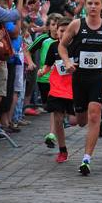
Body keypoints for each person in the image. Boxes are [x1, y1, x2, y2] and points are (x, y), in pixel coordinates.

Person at [58, 0, 102, 175]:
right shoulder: (76, 24)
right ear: (86, 6)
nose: (93, 7)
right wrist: (67, 62)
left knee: (94, 115)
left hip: (99, 77)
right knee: (81, 121)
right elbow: (62, 46)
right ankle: (89, 115)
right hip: (79, 77)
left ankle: (86, 159)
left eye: (97, 3)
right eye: (90, 3)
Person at [38, 17, 75, 163]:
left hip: (74, 89)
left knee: (75, 121)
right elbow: (48, 65)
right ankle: (62, 150)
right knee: (58, 119)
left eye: (67, 31)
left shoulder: (77, 46)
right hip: (57, 88)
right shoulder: (53, 47)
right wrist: (42, 71)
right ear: (57, 31)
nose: (64, 34)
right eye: (61, 31)